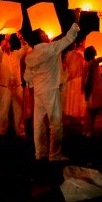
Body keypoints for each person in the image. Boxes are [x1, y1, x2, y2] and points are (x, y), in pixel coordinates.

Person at [23, 9, 81, 162]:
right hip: (51, 90)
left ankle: (39, 153)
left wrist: (30, 87)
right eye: (44, 33)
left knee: (38, 124)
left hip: (39, 92)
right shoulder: (50, 49)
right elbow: (69, 38)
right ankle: (54, 155)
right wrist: (77, 19)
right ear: (41, 37)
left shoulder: (30, 56)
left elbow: (27, 77)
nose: (47, 34)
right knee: (55, 124)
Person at [0, 33, 28, 137]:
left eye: (7, 43)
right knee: (3, 111)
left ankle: (21, 132)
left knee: (18, 111)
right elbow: (0, 50)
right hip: (5, 87)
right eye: (4, 43)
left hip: (17, 86)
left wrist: (21, 37)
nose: (6, 44)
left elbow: (25, 48)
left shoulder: (16, 54)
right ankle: (1, 132)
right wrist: (6, 39)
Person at [81, 44, 102, 138]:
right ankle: (90, 130)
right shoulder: (93, 62)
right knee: (92, 111)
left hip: (91, 88)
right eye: (94, 49)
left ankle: (86, 130)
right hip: (93, 89)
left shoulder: (87, 63)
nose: (96, 49)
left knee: (89, 110)